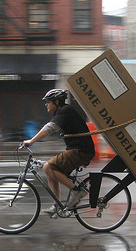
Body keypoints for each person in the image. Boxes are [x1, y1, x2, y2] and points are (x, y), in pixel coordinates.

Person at [24, 89, 95, 217]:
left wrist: (32, 141)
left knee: (48, 166)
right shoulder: (61, 112)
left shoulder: (65, 111)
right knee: (51, 170)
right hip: (77, 150)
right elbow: (50, 125)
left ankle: (77, 191)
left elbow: (50, 128)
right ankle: (57, 205)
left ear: (57, 102)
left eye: (48, 102)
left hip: (81, 150)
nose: (46, 104)